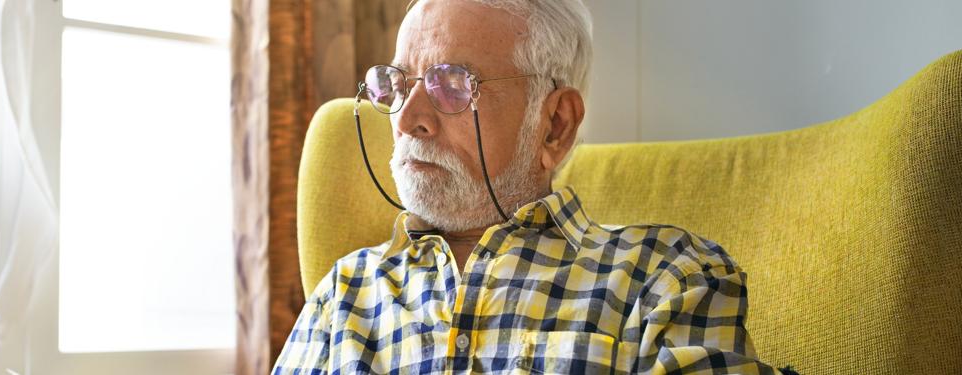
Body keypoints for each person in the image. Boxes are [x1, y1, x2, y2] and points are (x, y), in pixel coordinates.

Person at [273, 0, 798, 373]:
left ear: (555, 125)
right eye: (398, 84)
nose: (408, 118)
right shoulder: (341, 294)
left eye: (453, 83)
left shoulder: (666, 279)